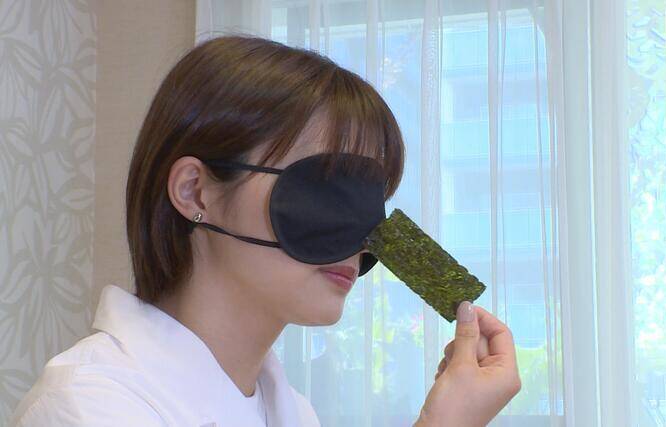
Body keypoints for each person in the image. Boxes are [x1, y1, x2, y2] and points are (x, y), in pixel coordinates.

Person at [9, 35, 521, 427]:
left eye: (372, 200)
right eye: (327, 187)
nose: (362, 235)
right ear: (196, 192)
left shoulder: (294, 413)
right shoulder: (87, 405)